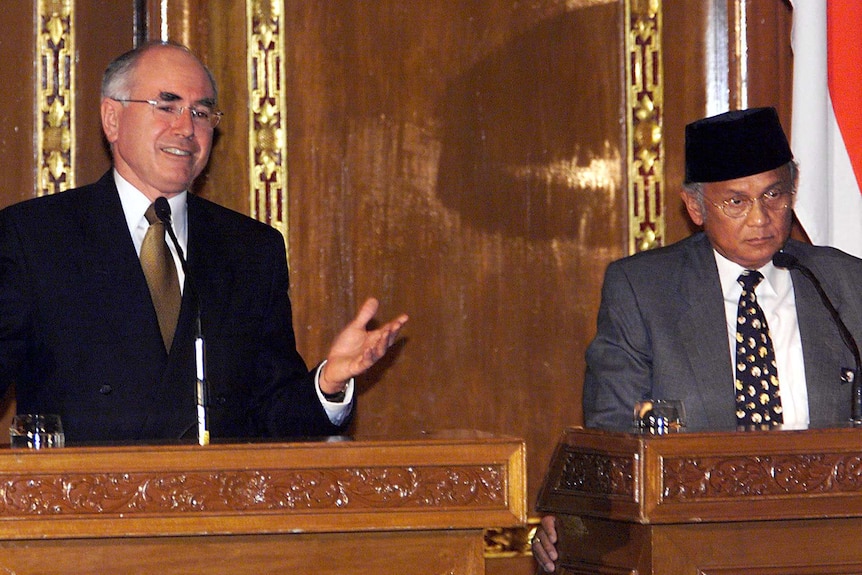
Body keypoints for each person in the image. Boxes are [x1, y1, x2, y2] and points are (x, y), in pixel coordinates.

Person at [0, 41, 408, 442]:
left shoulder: (250, 249)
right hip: (84, 500)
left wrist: (329, 382)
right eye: (167, 105)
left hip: (215, 501)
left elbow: (274, 418)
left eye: (201, 112)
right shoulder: (34, 237)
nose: (186, 128)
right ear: (112, 119)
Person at [531, 107, 862, 572]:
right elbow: (613, 435)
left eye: (774, 195)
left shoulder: (844, 283)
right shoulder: (643, 290)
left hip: (830, 544)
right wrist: (579, 520)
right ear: (695, 207)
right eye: (736, 202)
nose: (761, 218)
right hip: (692, 548)